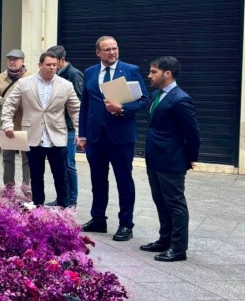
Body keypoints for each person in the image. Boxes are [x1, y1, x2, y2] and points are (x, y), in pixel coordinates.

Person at [78, 36, 149, 242]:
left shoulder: (130, 70)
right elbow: (85, 105)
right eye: (107, 49)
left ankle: (126, 224)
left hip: (121, 136)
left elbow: (144, 101)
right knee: (97, 180)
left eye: (115, 48)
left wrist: (123, 108)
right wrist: (82, 134)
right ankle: (98, 219)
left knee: (124, 181)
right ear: (98, 52)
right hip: (96, 136)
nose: (112, 53)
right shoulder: (90, 72)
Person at [1, 52, 80, 207]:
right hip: (33, 135)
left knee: (61, 175)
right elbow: (10, 104)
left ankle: (64, 207)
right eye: (48, 65)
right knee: (36, 175)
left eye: (54, 65)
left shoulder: (66, 85)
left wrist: (79, 131)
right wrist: (7, 124)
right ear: (40, 65)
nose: (52, 68)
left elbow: (75, 109)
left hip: (57, 136)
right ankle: (38, 206)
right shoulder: (25, 83)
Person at [141, 56, 200, 262]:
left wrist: (191, 157)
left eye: (153, 72)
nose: (149, 75)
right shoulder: (156, 95)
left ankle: (178, 248)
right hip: (154, 158)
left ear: (167, 73)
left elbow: (192, 132)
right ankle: (164, 240)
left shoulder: (181, 99)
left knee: (174, 203)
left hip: (171, 160)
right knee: (160, 201)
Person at [0, 49, 33, 197]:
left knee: (28, 158)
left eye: (15, 59)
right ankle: (9, 187)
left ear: (23, 61)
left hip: (26, 123)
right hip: (7, 124)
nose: (12, 62)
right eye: (10, 59)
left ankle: (27, 186)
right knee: (7, 157)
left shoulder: (31, 77)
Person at [46, 45, 83, 207]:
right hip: (56, 126)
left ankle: (72, 200)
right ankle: (62, 198)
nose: (51, 66)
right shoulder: (55, 75)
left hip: (69, 127)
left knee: (69, 164)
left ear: (62, 60)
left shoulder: (74, 75)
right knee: (59, 165)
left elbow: (80, 103)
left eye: (54, 63)